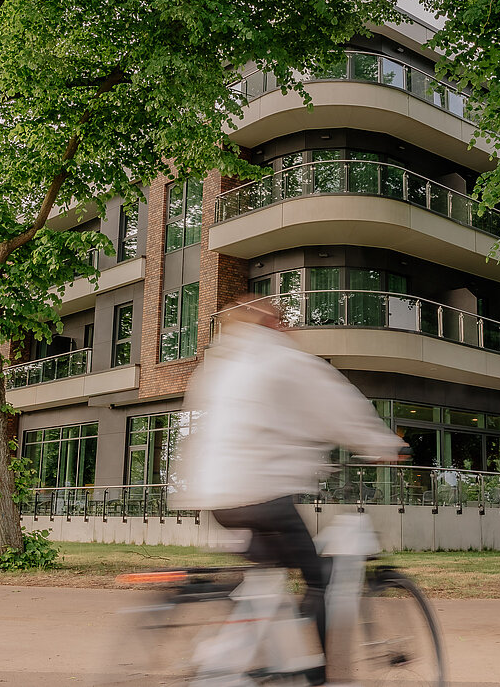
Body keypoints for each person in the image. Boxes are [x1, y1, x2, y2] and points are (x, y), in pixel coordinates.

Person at [171, 294, 405, 686]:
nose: (288, 329)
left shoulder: (217, 366)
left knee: (266, 578)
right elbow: (341, 409)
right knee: (318, 580)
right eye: (283, 321)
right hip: (261, 495)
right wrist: (385, 446)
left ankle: (236, 659)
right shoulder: (284, 359)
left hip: (215, 498)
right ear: (271, 323)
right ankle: (319, 678)